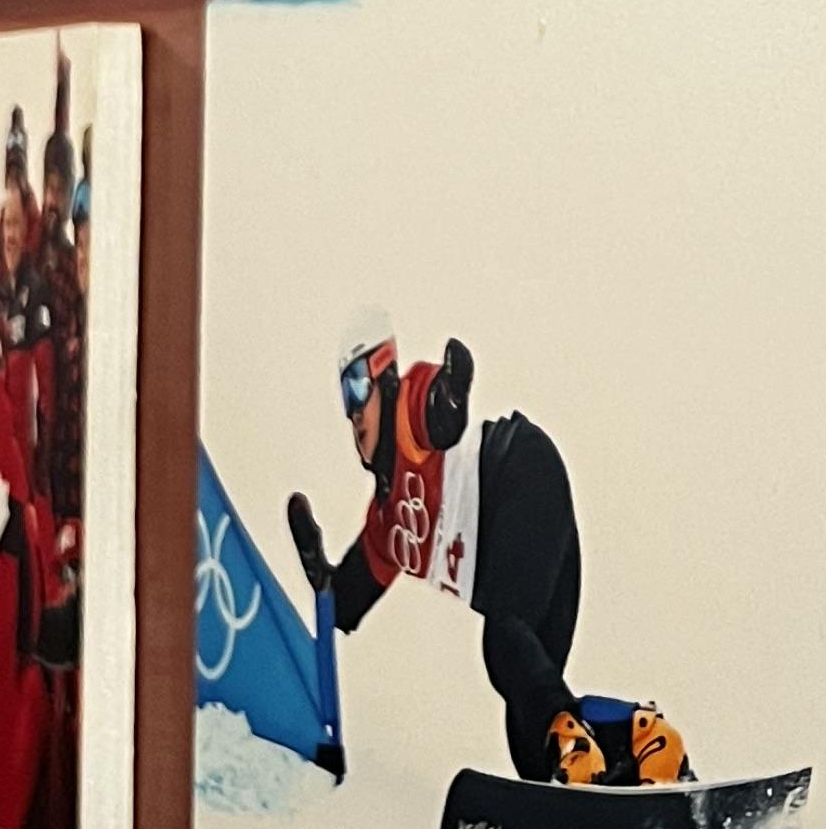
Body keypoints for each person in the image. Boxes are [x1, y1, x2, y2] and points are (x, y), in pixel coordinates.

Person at [284, 318, 685, 787]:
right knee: (530, 729)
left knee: (503, 641)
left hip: (520, 475)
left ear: (385, 377)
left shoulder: (408, 420)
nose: (352, 412)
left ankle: (584, 752)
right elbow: (343, 605)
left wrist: (451, 389)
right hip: (534, 532)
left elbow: (439, 414)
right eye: (344, 397)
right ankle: (642, 740)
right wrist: (317, 568)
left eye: (357, 386)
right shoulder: (385, 527)